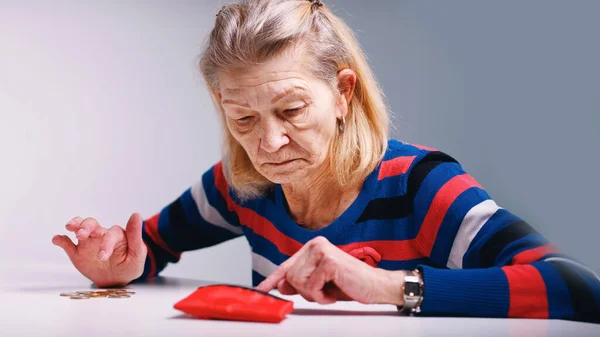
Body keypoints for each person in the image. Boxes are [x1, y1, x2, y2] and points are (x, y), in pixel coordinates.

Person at [52, 0, 599, 323]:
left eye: (291, 110)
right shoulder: (240, 185)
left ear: (342, 94)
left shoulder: (421, 186)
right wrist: (121, 266)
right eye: (243, 119)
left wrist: (387, 287)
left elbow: (579, 289)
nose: (267, 145)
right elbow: (152, 246)